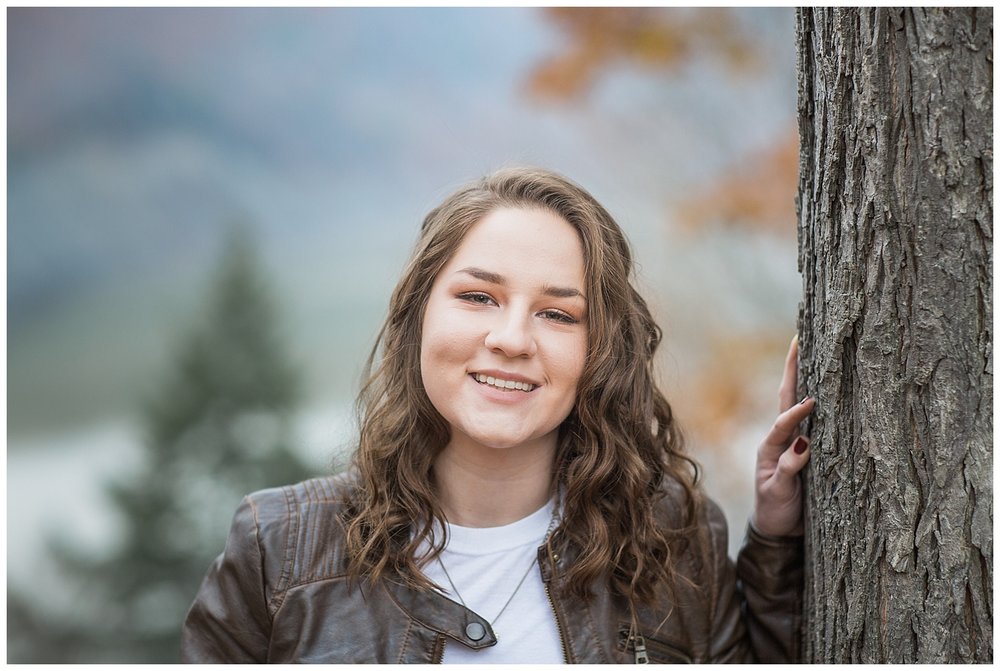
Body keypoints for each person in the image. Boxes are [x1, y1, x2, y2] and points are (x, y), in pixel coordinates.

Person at [181, 166, 814, 663]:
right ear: (418, 317)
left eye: (558, 313)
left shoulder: (674, 539)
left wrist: (777, 541)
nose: (512, 338)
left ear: (600, 351)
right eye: (479, 297)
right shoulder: (278, 548)